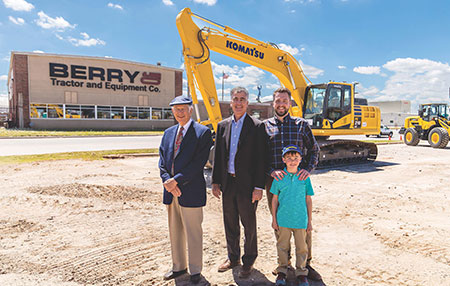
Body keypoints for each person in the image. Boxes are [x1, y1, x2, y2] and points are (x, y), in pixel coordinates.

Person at [264, 87, 322, 282]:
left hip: (298, 183)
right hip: (275, 183)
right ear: (273, 103)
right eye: (278, 101)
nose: (281, 104)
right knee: (279, 222)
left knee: (302, 221)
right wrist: (271, 171)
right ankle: (284, 263)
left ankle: (306, 264)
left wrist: (308, 169)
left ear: (290, 103)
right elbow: (259, 156)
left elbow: (314, 150)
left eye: (284, 101)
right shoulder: (265, 127)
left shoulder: (301, 125)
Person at [212, 87, 266, 278]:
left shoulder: (257, 126)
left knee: (248, 224)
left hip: (248, 185)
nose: (239, 102)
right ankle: (233, 257)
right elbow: (219, 156)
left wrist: (259, 187)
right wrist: (216, 182)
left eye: (242, 99)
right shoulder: (222, 125)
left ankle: (249, 260)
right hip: (228, 183)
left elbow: (261, 159)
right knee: (230, 223)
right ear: (230, 102)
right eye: (235, 98)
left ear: (247, 102)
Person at [158, 95, 213, 284]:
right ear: (172, 111)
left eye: (183, 109)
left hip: (190, 191)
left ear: (191, 110)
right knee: (175, 231)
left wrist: (176, 181)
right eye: (176, 109)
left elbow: (198, 163)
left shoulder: (202, 133)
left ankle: (196, 270)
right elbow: (162, 161)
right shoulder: (168, 133)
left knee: (193, 233)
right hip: (171, 191)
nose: (179, 112)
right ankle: (178, 267)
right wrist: (167, 181)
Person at [271, 145, 314, 286]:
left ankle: (301, 273)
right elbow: (275, 199)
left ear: (301, 159)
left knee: (302, 247)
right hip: (283, 219)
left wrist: (309, 221)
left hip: (301, 220)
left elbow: (308, 199)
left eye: (296, 158)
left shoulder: (304, 177)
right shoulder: (279, 177)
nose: (292, 161)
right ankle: (282, 271)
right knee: (282, 246)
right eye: (289, 158)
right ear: (283, 159)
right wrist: (274, 219)